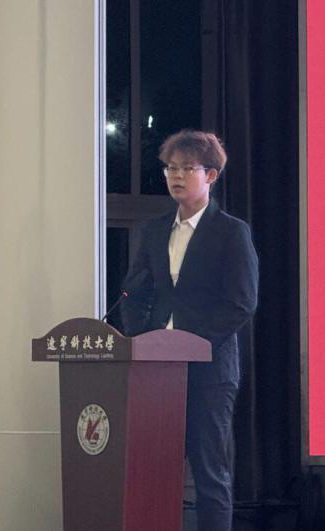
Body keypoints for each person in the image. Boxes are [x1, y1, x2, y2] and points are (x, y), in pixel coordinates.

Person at [120, 129, 259, 531]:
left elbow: (241, 303)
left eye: (186, 168)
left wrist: (191, 344)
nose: (176, 176)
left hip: (209, 371)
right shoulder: (154, 230)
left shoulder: (231, 232)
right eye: (170, 168)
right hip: (156, 370)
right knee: (153, 467)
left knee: (209, 472)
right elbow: (133, 292)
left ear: (211, 175)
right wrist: (144, 340)